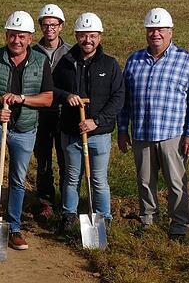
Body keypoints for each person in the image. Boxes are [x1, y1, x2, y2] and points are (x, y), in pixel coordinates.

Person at [117, 7, 189, 240]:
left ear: (170, 32)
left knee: (177, 183)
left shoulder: (186, 60)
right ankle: (148, 219)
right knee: (145, 180)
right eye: (151, 30)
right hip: (142, 133)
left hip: (173, 134)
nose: (155, 34)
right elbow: (125, 99)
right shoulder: (134, 60)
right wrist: (122, 130)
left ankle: (178, 224)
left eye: (160, 30)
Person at [0, 11, 54, 251]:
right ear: (6, 36)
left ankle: (15, 228)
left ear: (30, 38)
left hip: (25, 128)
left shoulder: (40, 61)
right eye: (12, 35)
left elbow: (48, 99)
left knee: (17, 180)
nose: (16, 40)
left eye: (21, 36)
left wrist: (22, 98)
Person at [52, 13, 124, 231]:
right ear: (76, 36)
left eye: (92, 36)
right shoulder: (65, 63)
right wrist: (66, 96)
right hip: (71, 132)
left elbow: (118, 97)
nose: (88, 40)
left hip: (99, 135)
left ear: (100, 37)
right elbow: (51, 90)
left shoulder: (110, 65)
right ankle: (69, 215)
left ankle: (104, 217)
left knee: (99, 180)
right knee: (72, 178)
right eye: (83, 36)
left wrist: (97, 121)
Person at [31, 4, 72, 221]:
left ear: (61, 26)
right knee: (43, 159)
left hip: (64, 113)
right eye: (45, 25)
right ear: (40, 27)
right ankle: (46, 201)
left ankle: (68, 201)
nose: (49, 29)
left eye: (54, 25)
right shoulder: (32, 51)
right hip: (40, 113)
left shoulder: (70, 52)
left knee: (66, 158)